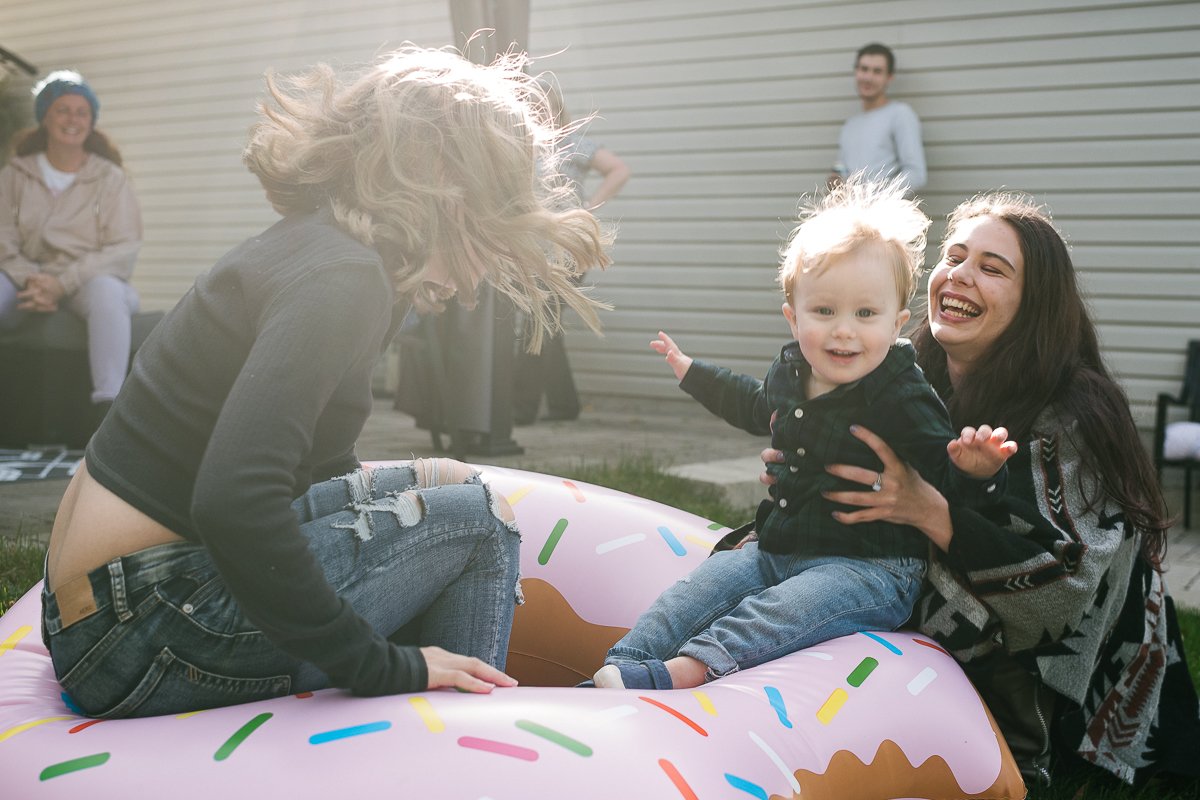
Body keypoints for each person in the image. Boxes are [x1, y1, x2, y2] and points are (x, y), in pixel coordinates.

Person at [39, 46, 610, 719]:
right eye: (489, 230)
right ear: (436, 182)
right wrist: (383, 668)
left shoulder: (323, 247)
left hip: (107, 607)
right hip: (142, 627)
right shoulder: (344, 280)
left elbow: (297, 467)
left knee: (451, 485)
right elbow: (236, 500)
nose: (482, 274)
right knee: (481, 522)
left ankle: (445, 698)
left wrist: (416, 478)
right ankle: (463, 749)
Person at [762, 192, 1200, 788]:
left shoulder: (1075, 413)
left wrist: (930, 511)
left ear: (1034, 304)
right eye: (955, 256)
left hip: (1075, 689)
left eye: (992, 269)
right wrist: (799, 475)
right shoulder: (905, 373)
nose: (960, 275)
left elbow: (1063, 591)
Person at [592, 179, 1013, 692]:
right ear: (794, 317)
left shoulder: (901, 390)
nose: (843, 331)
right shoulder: (792, 369)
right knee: (697, 589)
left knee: (782, 612)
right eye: (824, 311)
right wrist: (691, 372)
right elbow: (753, 404)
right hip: (780, 545)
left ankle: (688, 672)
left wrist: (976, 469)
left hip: (869, 567)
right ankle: (621, 666)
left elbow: (941, 467)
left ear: (897, 321)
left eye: (865, 314)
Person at [0, 70, 142, 424]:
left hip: (87, 279)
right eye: (62, 109)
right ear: (45, 116)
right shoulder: (15, 174)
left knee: (108, 293)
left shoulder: (110, 178)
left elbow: (123, 247)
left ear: (91, 121)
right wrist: (31, 278)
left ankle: (108, 411)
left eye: (82, 112)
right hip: (25, 278)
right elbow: (2, 235)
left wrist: (62, 283)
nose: (72, 119)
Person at [513, 77, 630, 425]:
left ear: (552, 107)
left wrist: (589, 205)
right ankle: (564, 406)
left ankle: (521, 409)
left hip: (566, 248)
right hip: (535, 248)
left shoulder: (574, 142)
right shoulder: (525, 146)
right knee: (545, 322)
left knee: (539, 321)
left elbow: (618, 169)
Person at [829, 43, 926, 195]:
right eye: (864, 69)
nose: (868, 77)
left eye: (877, 71)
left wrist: (874, 200)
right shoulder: (850, 125)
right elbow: (841, 172)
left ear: (889, 77)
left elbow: (916, 174)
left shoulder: (900, 114)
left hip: (884, 215)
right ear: (856, 72)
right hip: (852, 215)